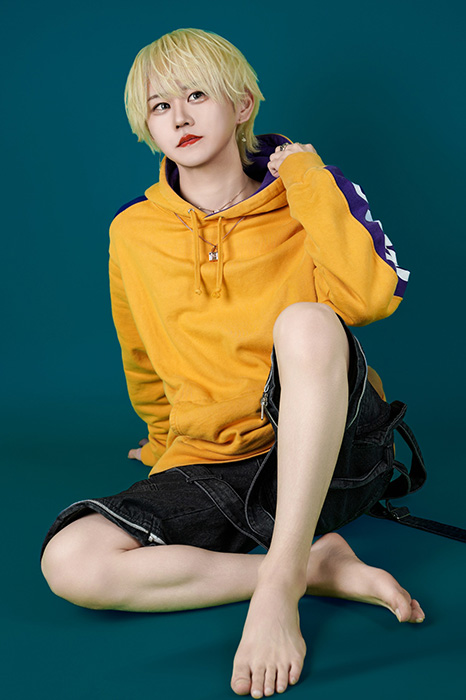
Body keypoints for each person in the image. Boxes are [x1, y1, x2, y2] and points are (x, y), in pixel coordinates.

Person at [40, 27, 425, 699]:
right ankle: (314, 566)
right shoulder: (133, 232)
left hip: (337, 452)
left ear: (243, 104)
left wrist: (306, 177)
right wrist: (162, 441)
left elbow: (370, 297)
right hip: (222, 464)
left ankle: (278, 588)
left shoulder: (308, 194)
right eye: (160, 106)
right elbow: (141, 351)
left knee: (307, 322)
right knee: (71, 562)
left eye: (196, 95)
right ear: (146, 125)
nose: (179, 117)